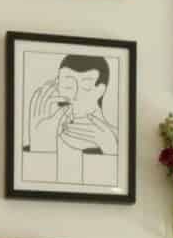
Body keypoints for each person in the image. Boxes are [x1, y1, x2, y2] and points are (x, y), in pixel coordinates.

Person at [24, 52, 118, 185]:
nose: (75, 94)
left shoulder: (117, 139)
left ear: (100, 89)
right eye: (67, 85)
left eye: (86, 86)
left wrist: (110, 149)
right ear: (57, 86)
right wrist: (41, 145)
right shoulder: (42, 135)